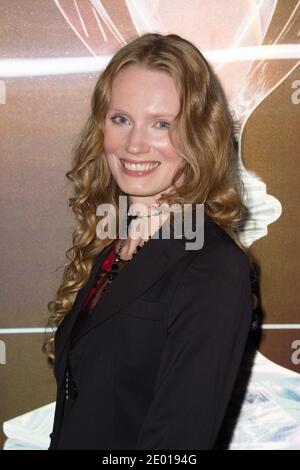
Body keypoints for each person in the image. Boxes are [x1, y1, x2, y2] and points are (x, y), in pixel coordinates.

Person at [44, 32, 254, 450]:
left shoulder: (213, 267)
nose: (134, 144)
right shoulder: (116, 246)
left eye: (162, 124)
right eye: (120, 119)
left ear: (199, 134)